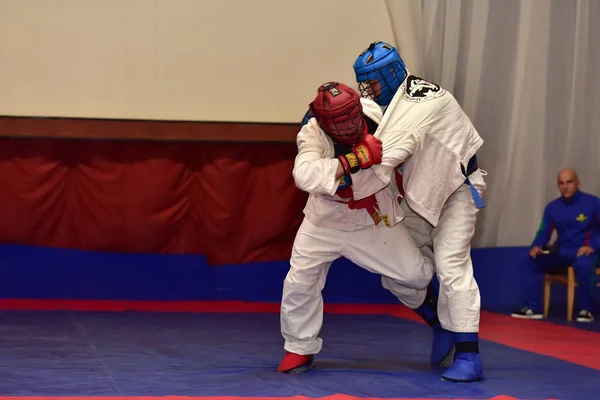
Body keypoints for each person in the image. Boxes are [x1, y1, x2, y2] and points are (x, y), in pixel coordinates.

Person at [278, 81, 452, 374]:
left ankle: (438, 321)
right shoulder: (313, 133)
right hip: (324, 221)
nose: (349, 124)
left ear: (359, 107)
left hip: (372, 218)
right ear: (323, 121)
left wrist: (338, 177)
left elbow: (379, 175)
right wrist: (353, 160)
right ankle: (299, 348)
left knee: (413, 275)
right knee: (300, 280)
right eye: (339, 120)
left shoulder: (379, 121)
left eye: (351, 115)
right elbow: (305, 175)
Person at [350, 41, 487, 383]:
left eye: (373, 83)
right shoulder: (396, 97)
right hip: (418, 193)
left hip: (456, 189)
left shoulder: (422, 104)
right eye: (364, 84)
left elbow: (380, 162)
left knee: (451, 265)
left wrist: (340, 174)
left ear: (391, 73)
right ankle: (438, 324)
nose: (369, 90)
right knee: (395, 266)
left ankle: (470, 356)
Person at [511, 168, 600, 323]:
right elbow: (544, 231)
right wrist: (536, 246)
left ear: (577, 183)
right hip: (563, 252)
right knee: (528, 259)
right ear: (558, 185)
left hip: (587, 252)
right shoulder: (553, 207)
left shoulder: (593, 203)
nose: (565, 186)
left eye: (569, 182)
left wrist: (593, 245)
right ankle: (533, 308)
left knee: (583, 264)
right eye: (561, 183)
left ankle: (586, 310)